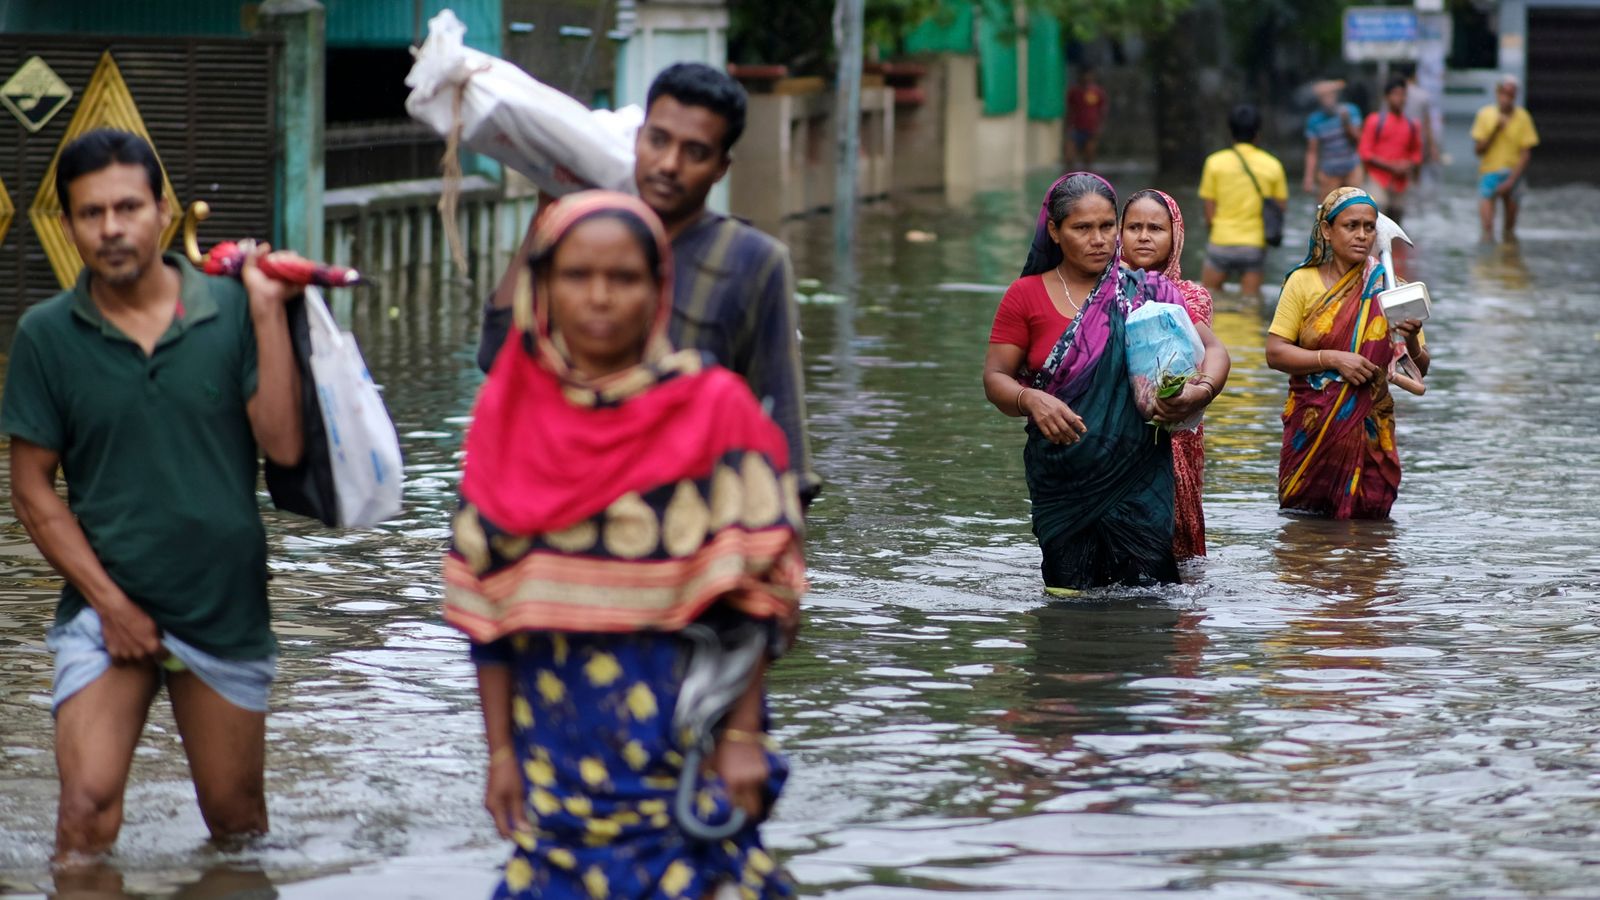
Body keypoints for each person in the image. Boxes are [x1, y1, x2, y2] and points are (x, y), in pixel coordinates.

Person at [445, 191, 805, 898]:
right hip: (557, 746)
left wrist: (740, 737)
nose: (600, 298)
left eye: (625, 278)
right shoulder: (508, 419)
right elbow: (488, 610)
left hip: (686, 741)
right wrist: (498, 755)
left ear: (660, 289)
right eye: (577, 276)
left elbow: (760, 587)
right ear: (543, 286)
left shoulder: (713, 408)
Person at [0, 129, 305, 864]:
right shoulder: (46, 336)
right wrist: (110, 604)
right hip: (108, 610)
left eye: (128, 206)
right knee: (83, 822)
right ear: (68, 225)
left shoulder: (232, 310)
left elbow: (286, 447)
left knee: (237, 829)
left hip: (222, 607)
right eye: (91, 212)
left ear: (163, 211)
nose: (111, 228)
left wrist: (267, 312)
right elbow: (31, 489)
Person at [479, 62, 818, 504]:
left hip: (689, 520)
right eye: (658, 141)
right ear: (638, 139)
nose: (669, 164)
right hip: (571, 505)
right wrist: (548, 206)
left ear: (721, 167)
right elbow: (498, 357)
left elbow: (784, 426)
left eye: (695, 152)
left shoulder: (754, 262)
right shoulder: (586, 239)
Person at [982, 173, 1229, 592]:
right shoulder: (1024, 296)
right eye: (1082, 228)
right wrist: (1031, 400)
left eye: (1107, 226)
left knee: (1150, 605)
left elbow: (1214, 351)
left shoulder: (1149, 289)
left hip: (1140, 477)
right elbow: (995, 378)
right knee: (1067, 607)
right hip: (1062, 482)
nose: (1099, 239)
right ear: (1055, 232)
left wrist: (1198, 392)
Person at [1264, 187, 1431, 520]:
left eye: (1369, 227)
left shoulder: (1391, 288)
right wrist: (1332, 358)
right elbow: (1275, 353)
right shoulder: (1302, 282)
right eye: (1350, 226)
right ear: (1327, 230)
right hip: (1312, 428)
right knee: (1303, 532)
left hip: (1372, 428)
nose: (1362, 235)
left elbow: (1420, 369)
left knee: (1371, 535)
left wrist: (1411, 340)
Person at [1120, 189, 1231, 561]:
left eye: (1156, 227)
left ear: (1176, 236)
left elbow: (1208, 351)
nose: (1144, 236)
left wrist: (1200, 391)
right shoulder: (1101, 290)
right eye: (1133, 227)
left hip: (1175, 427)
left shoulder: (1189, 296)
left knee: (1174, 546)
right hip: (1116, 427)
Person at [1199, 104, 1288, 301]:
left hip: (1220, 242)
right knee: (1250, 305)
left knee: (1207, 303)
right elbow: (1280, 208)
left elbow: (1209, 213)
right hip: (1253, 246)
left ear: (1231, 132)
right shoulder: (1272, 165)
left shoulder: (1214, 163)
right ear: (1258, 133)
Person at [1472, 73, 1540, 241]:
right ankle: (1489, 264)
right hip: (1489, 173)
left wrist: (1511, 180)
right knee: (1487, 228)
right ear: (1497, 93)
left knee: (1509, 229)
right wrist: (1495, 130)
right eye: (1503, 93)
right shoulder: (1485, 114)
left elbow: (1526, 153)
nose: (1506, 98)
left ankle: (1507, 260)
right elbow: (1478, 150)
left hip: (1513, 174)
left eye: (1510, 94)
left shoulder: (1523, 117)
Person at [1358, 76, 1423, 224]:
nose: (1400, 98)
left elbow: (1416, 154)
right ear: (1387, 97)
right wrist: (1391, 167)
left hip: (1401, 183)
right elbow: (1365, 153)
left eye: (1403, 94)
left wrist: (1409, 166)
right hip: (1378, 178)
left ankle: (1395, 248)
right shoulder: (1374, 121)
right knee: (1376, 220)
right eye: (1396, 94)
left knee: (1396, 225)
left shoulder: (1412, 125)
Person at [1303, 80, 1363, 200]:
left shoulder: (1350, 111)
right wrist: (1308, 177)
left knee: (1355, 204)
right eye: (1323, 96)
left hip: (1351, 168)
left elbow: (1358, 140)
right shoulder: (1314, 120)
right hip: (1328, 172)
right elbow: (1312, 151)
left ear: (1336, 96)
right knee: (1328, 209)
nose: (1327, 100)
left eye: (1330, 95)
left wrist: (1346, 123)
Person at [1065, 66, 1108, 169]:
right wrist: (1068, 126)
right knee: (1069, 157)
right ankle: (1070, 178)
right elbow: (1069, 109)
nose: (1086, 78)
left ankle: (1088, 177)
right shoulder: (1074, 91)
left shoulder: (1098, 92)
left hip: (1091, 128)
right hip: (1076, 127)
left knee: (1089, 157)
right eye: (1084, 75)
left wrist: (1100, 127)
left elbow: (1103, 111)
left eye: (1089, 75)